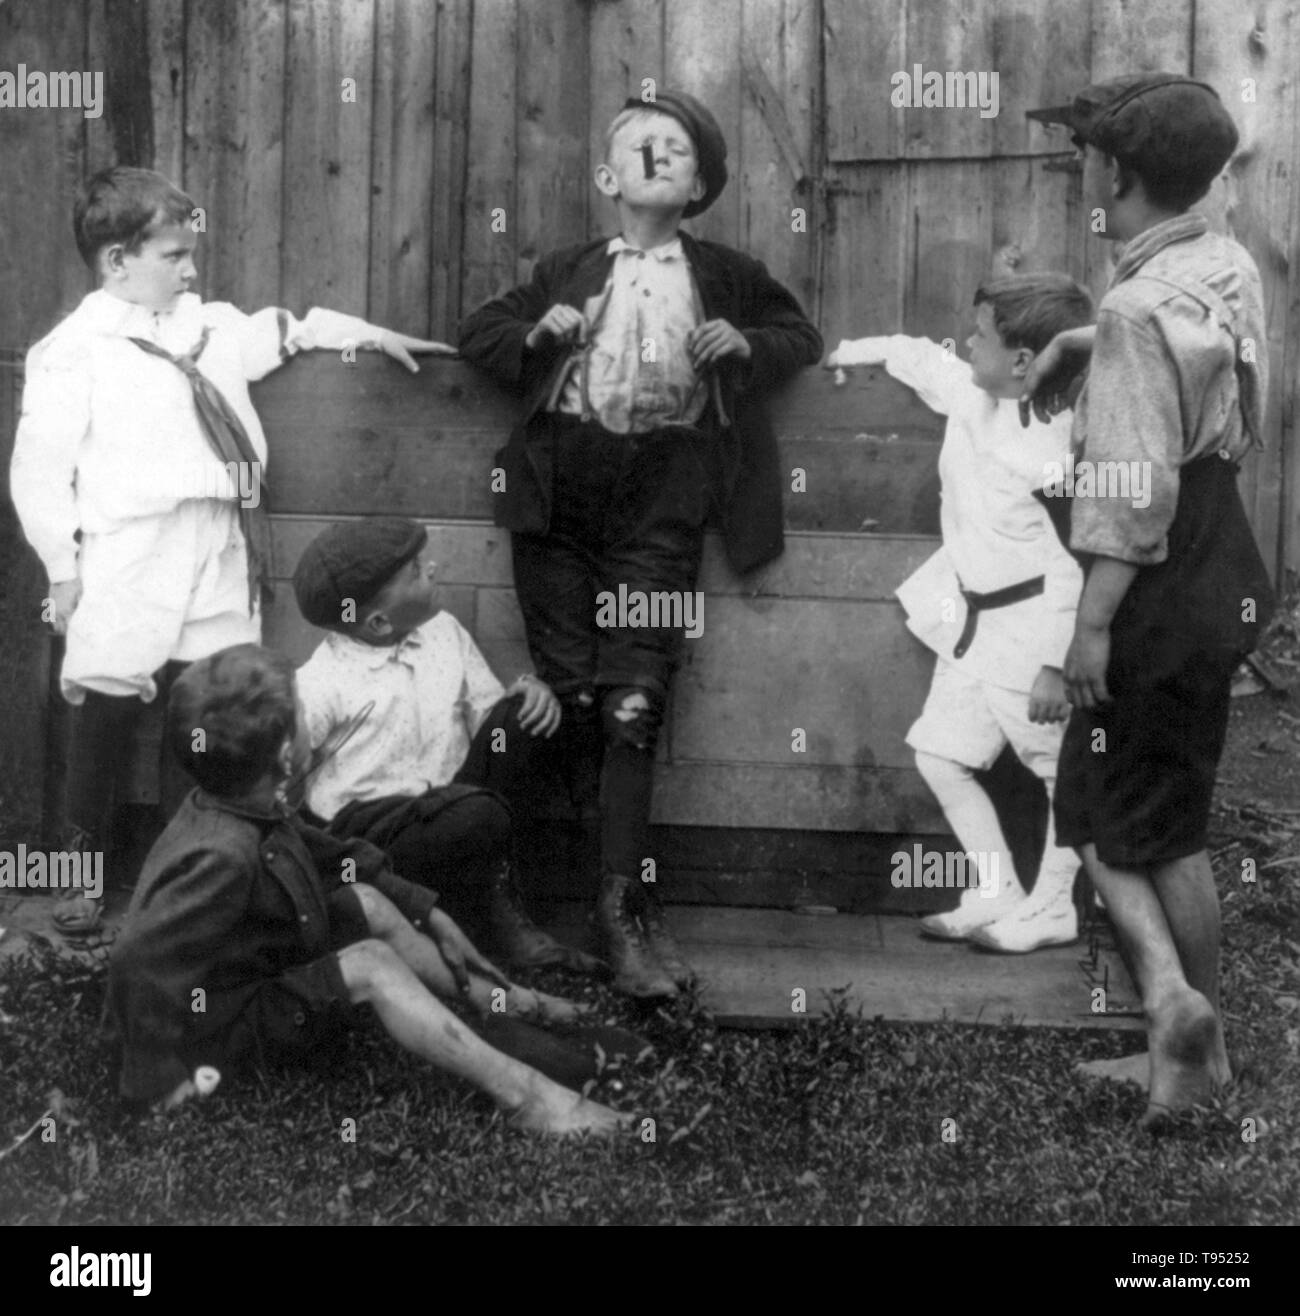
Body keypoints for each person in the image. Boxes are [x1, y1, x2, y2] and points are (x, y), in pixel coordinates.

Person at [9, 166, 450, 933]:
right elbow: (40, 470)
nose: (191, 268)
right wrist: (64, 569)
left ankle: (197, 870)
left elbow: (294, 328)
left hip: (216, 543)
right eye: (173, 255)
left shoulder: (208, 327)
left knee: (210, 706)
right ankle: (80, 875)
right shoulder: (73, 350)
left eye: (191, 253)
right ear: (117, 262)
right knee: (106, 703)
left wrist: (369, 336)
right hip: (129, 545)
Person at [458, 91, 822, 997]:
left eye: (677, 149)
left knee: (634, 701)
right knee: (569, 698)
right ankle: (524, 899)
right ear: (606, 177)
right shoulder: (568, 267)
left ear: (698, 185)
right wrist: (538, 334)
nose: (656, 155)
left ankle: (624, 913)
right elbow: (480, 335)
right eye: (637, 145)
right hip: (559, 502)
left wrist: (745, 343)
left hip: (664, 497)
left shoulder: (729, 272)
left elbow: (797, 336)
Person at [1025, 74, 1274, 1125]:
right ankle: (1198, 1046)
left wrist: (1090, 627)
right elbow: (1198, 361)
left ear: (1116, 174)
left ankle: (1173, 1010)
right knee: (1172, 816)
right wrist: (1093, 344)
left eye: (1089, 157)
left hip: (1157, 579)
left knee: (1096, 811)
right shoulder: (1221, 262)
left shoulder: (1132, 308)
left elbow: (1132, 492)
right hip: (1224, 566)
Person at [105, 644, 625, 1137]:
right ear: (288, 755)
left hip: (254, 967)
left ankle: (509, 1003)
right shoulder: (220, 854)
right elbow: (137, 961)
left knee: (368, 900)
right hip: (220, 1029)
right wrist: (155, 1082)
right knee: (370, 964)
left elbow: (336, 858)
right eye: (304, 714)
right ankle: (527, 1097)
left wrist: (431, 912)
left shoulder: (243, 799)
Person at [828, 272, 1093, 952]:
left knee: (1061, 771)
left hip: (1033, 629)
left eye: (981, 335)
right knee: (941, 755)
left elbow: (1072, 565)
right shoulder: (975, 396)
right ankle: (994, 886)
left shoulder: (1057, 447)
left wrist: (1052, 667)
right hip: (972, 621)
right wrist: (848, 351)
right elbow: (918, 356)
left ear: (1025, 362)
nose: (968, 343)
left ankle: (1054, 905)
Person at [291, 515, 602, 974]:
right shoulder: (322, 683)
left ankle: (498, 905)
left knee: (521, 723)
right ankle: (471, 913)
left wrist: (524, 695)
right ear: (378, 622)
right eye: (416, 571)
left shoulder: (444, 632)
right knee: (478, 815)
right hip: (378, 835)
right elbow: (286, 774)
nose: (432, 568)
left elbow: (488, 719)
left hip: (452, 802)